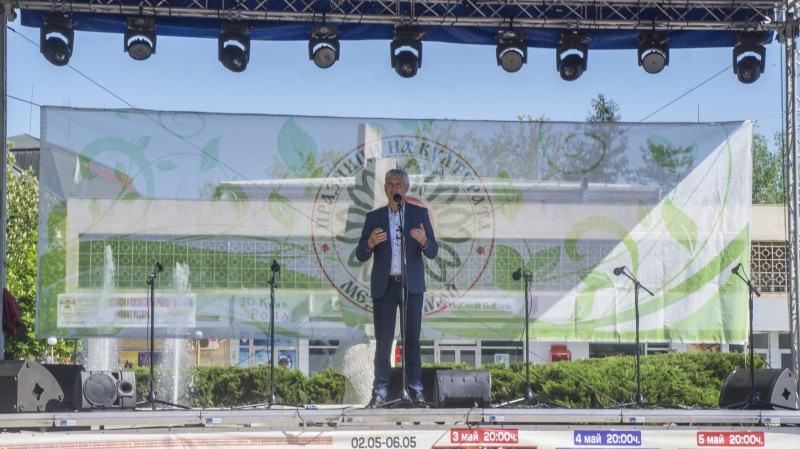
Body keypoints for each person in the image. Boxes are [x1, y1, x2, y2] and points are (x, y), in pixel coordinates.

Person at [356, 168, 438, 408]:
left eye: (398, 183)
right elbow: (361, 253)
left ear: (406, 188)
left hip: (412, 285)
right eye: (390, 184)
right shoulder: (374, 218)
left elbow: (433, 251)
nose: (394, 187)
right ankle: (380, 392)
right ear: (385, 189)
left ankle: (415, 390)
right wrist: (370, 243)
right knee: (384, 342)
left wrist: (424, 240)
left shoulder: (419, 214)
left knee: (412, 341)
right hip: (385, 286)